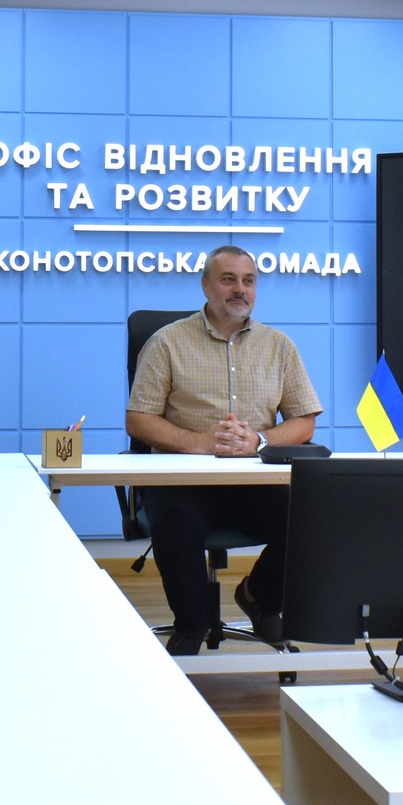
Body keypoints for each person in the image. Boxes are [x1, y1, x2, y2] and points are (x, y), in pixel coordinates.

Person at [124, 245, 322, 657]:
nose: (240, 290)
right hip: (184, 480)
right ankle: (191, 624)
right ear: (205, 286)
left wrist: (259, 441)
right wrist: (199, 442)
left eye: (248, 281)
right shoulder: (167, 342)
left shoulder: (279, 346)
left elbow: (304, 422)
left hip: (254, 480)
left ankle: (259, 597)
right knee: (177, 523)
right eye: (228, 279)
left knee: (311, 518)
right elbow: (138, 420)